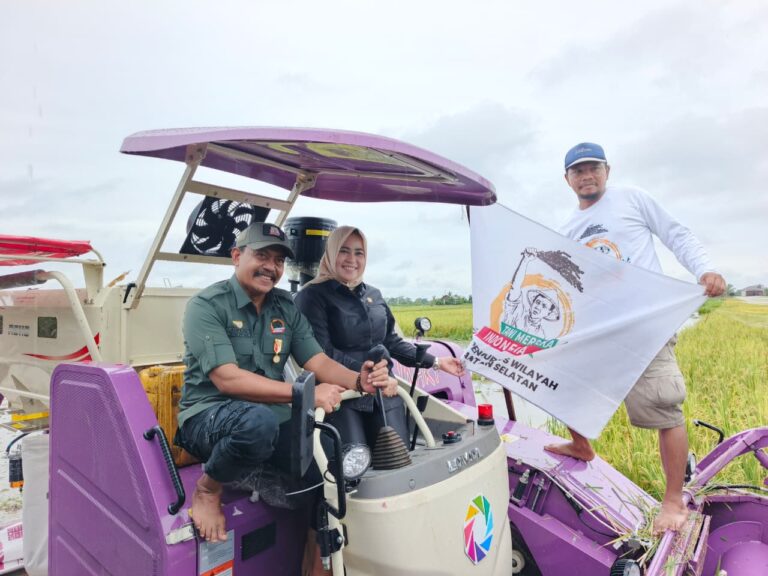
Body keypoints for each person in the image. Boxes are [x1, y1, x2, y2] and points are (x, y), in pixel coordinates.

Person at [175, 221, 392, 555]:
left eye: (278, 261)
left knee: (330, 461)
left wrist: (358, 380)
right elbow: (227, 379)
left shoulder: (284, 307)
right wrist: (300, 394)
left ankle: (313, 549)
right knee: (257, 424)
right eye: (262, 255)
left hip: (268, 415)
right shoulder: (207, 305)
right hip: (208, 416)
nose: (271, 267)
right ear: (236, 256)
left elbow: (317, 360)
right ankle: (208, 488)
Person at [546, 142, 726, 533]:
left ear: (607, 171)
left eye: (593, 168)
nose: (586, 176)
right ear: (567, 180)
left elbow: (676, 234)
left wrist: (705, 269)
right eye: (578, 171)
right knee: (558, 380)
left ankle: (673, 502)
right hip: (599, 328)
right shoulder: (566, 230)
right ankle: (581, 444)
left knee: (664, 406)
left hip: (646, 327)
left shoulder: (632, 199)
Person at [294, 225, 465, 449]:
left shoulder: (373, 294)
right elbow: (323, 352)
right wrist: (373, 377)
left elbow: (390, 342)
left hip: (383, 391)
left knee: (397, 455)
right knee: (353, 464)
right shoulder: (311, 296)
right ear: (331, 252)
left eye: (359, 252)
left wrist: (436, 362)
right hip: (341, 395)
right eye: (344, 251)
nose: (351, 259)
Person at [501, 248, 561, 339]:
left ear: (548, 313)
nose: (538, 306)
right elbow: (515, 287)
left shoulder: (541, 335)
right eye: (537, 302)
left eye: (544, 306)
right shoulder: (518, 312)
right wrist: (525, 261)